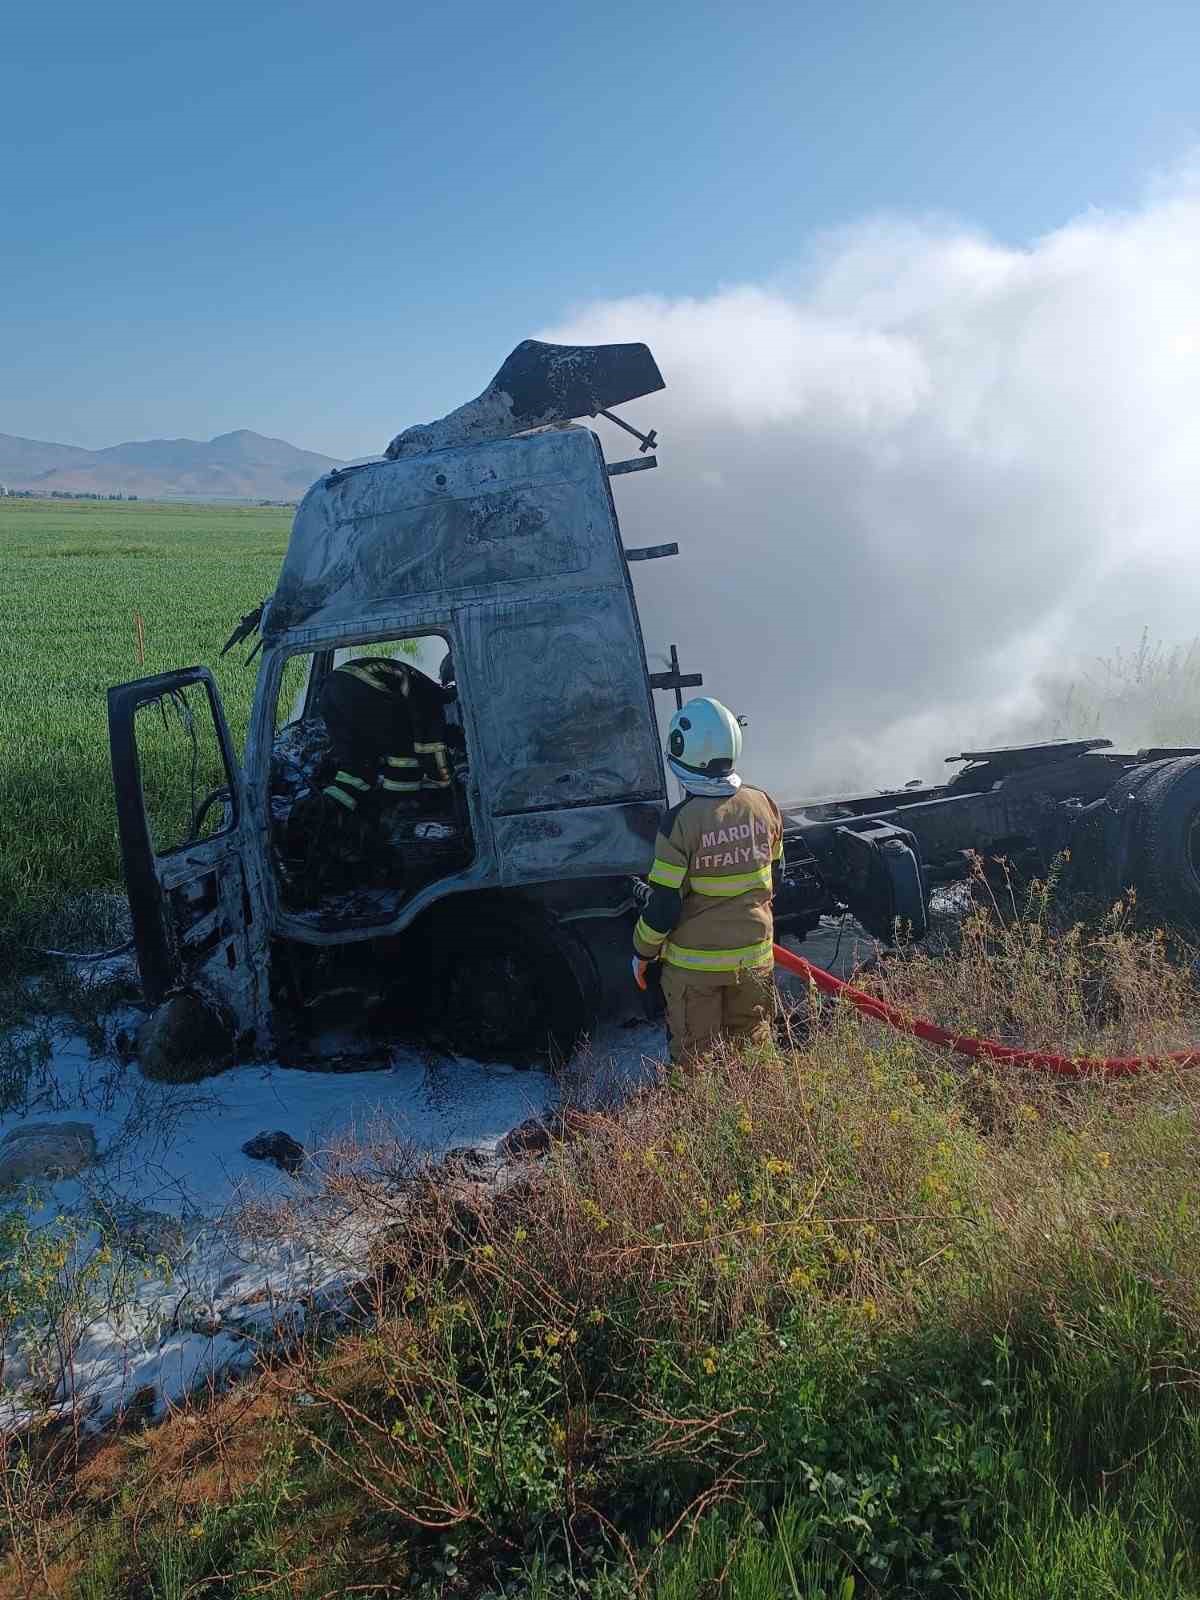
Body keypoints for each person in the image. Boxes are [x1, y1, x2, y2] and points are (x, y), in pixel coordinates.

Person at [632, 697, 783, 1067]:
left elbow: (664, 906)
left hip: (695, 972)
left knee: (695, 1064)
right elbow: (774, 880)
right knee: (754, 1055)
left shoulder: (678, 823)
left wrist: (641, 952)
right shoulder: (764, 805)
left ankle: (701, 1123)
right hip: (754, 963)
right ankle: (768, 1120)